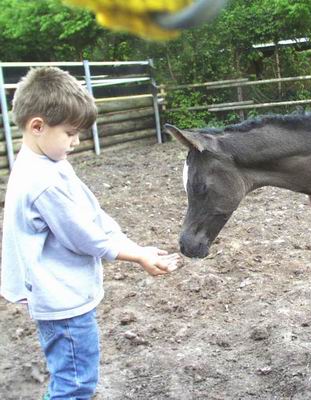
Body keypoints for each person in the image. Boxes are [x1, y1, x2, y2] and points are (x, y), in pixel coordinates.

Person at [0, 66, 181, 399]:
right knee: (75, 383)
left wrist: (132, 244)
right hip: (62, 302)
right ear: (38, 126)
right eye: (70, 132)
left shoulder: (47, 163)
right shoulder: (43, 181)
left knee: (71, 376)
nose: (77, 141)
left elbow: (90, 213)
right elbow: (83, 235)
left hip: (60, 293)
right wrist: (137, 255)